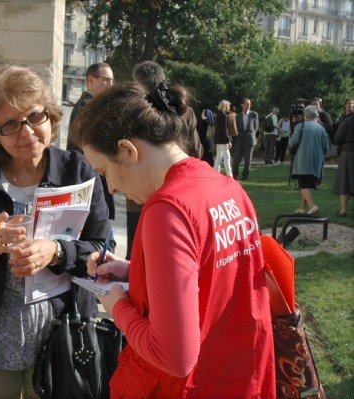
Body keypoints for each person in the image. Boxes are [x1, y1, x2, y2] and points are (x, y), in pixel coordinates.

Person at [71, 82, 276, 398]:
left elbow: (174, 357)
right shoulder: (227, 188)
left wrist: (118, 306)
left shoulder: (167, 210)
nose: (110, 187)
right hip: (239, 377)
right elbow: (211, 275)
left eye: (104, 170)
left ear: (127, 150)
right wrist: (136, 271)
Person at [0, 65, 113, 398]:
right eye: (11, 124)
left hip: (62, 332)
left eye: (35, 117)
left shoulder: (78, 170)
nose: (27, 132)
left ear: (51, 117)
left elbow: (103, 246)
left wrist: (57, 251)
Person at [125, 60, 204, 258]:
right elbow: (197, 151)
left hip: (139, 193)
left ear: (137, 84)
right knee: (174, 251)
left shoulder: (134, 114)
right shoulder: (186, 111)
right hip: (179, 192)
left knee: (138, 253)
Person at [66, 62, 116, 220]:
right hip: (88, 176)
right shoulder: (87, 108)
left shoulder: (94, 107)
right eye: (106, 79)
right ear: (90, 80)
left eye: (112, 80)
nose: (110, 84)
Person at [289, 105, 330, 214]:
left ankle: (312, 206)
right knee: (306, 185)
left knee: (302, 184)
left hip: (303, 161)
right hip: (316, 162)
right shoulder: (321, 128)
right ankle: (302, 208)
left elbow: (292, 142)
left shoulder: (300, 126)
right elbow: (326, 147)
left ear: (305, 115)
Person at [332, 109, 353, 217]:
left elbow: (337, 138)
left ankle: (343, 210)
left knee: (345, 182)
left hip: (349, 152)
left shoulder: (349, 120)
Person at [232, 98, 259, 181]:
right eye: (247, 104)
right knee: (236, 159)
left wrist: (252, 136)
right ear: (242, 105)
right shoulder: (238, 115)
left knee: (248, 160)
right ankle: (234, 176)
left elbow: (256, 127)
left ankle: (244, 177)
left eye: (250, 104)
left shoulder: (254, 114)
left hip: (250, 139)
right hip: (239, 139)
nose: (248, 106)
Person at [213, 100, 233, 177]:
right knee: (227, 158)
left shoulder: (218, 114)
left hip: (218, 139)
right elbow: (224, 130)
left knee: (218, 157)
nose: (229, 107)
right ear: (225, 106)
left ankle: (215, 174)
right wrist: (228, 141)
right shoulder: (224, 115)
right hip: (223, 140)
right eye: (228, 106)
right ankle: (230, 176)